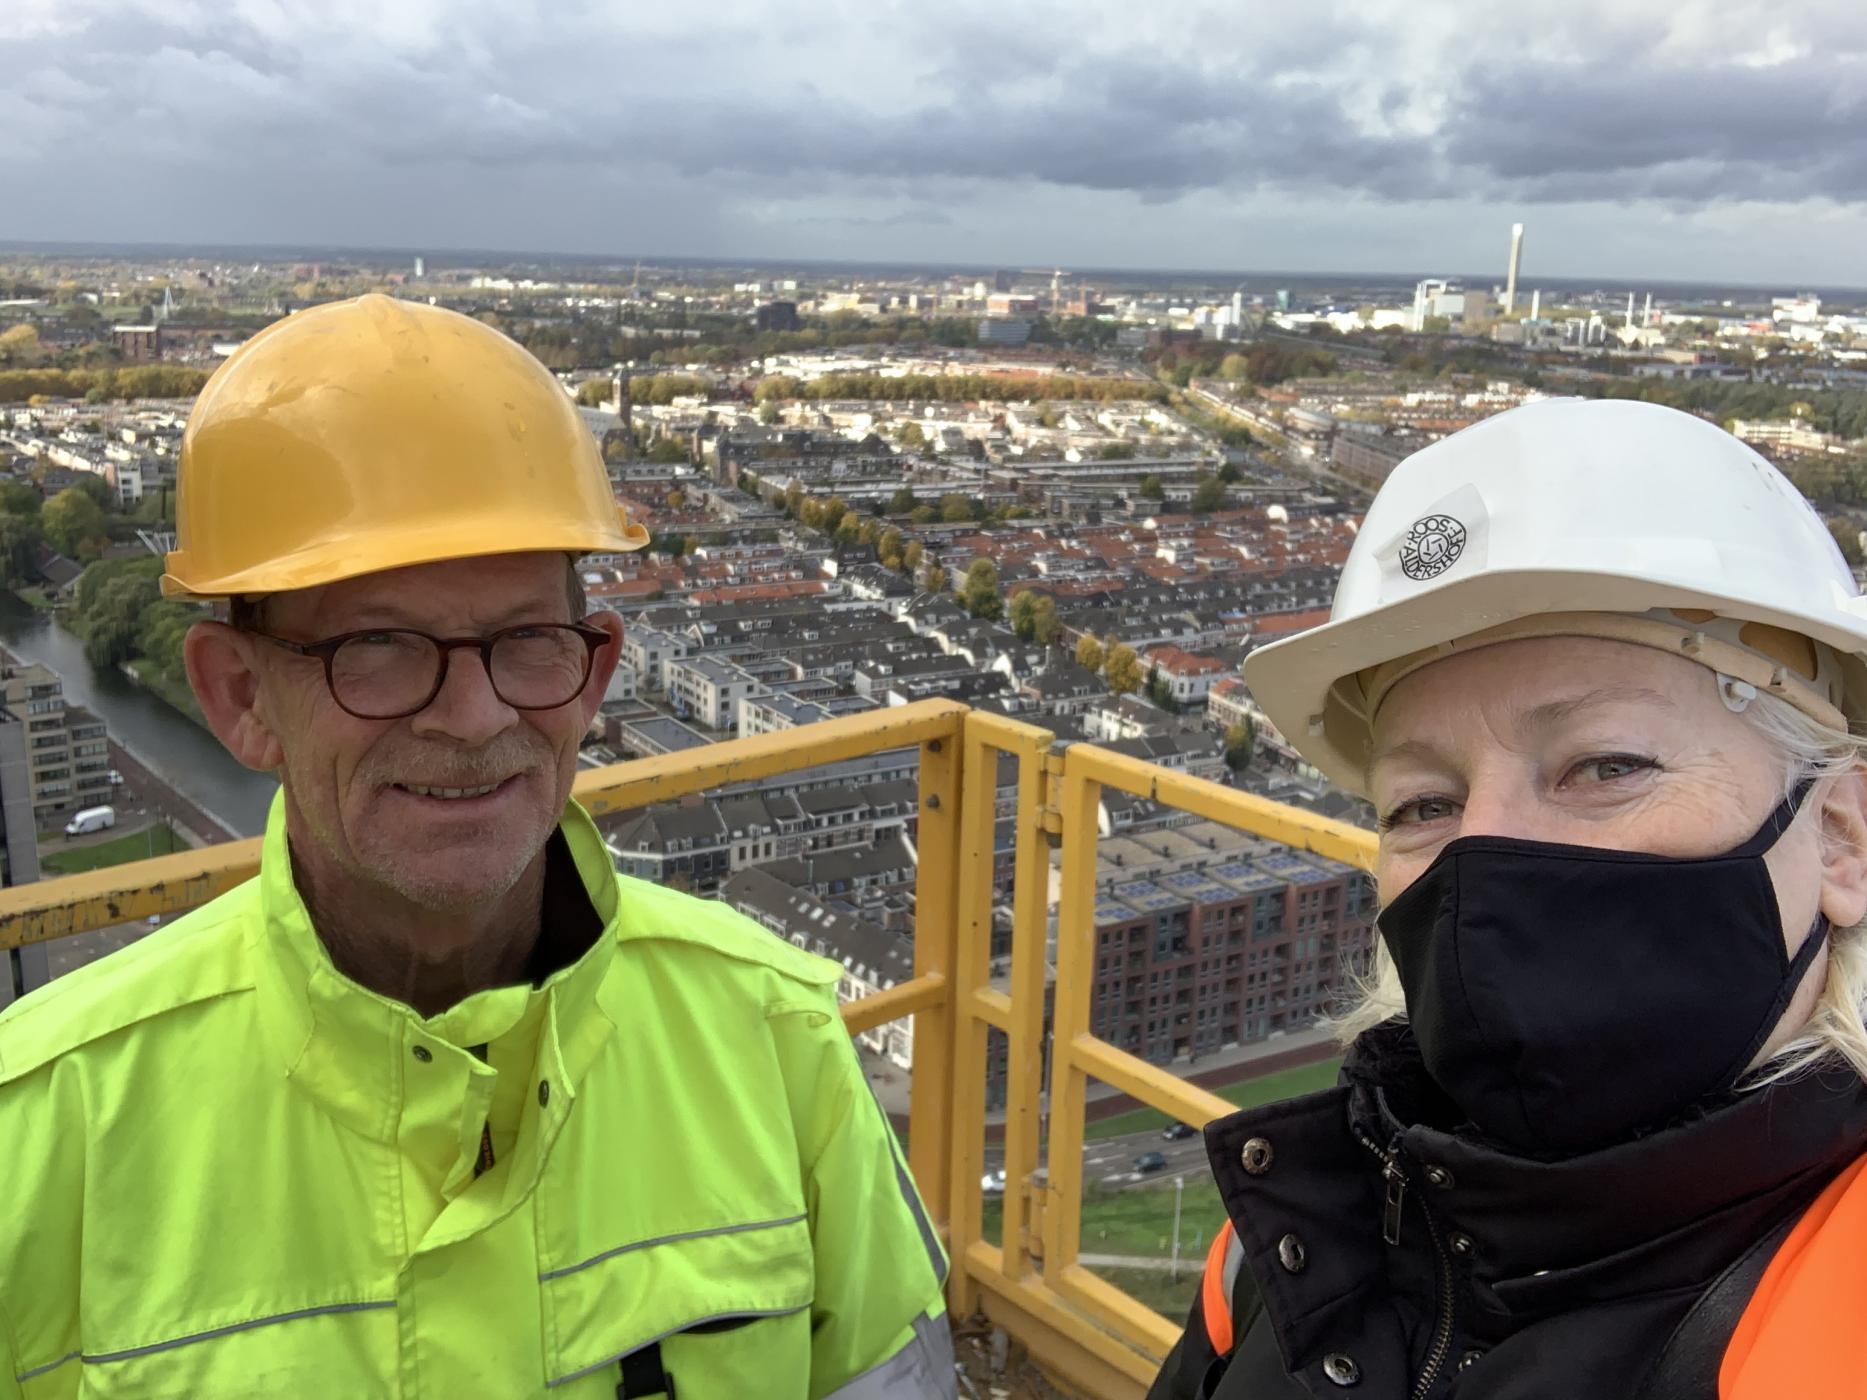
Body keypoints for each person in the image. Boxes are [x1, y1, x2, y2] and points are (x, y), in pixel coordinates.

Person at [0, 296, 954, 1400]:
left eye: (526, 640)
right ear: (238, 695)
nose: (473, 715)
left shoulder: (779, 1041)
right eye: (381, 646)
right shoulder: (41, 1129)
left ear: (594, 672)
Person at [1149, 398, 1867, 1399]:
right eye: (1422, 801)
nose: (1482, 849)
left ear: (1840, 836)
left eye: (1607, 763)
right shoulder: (1284, 1237)